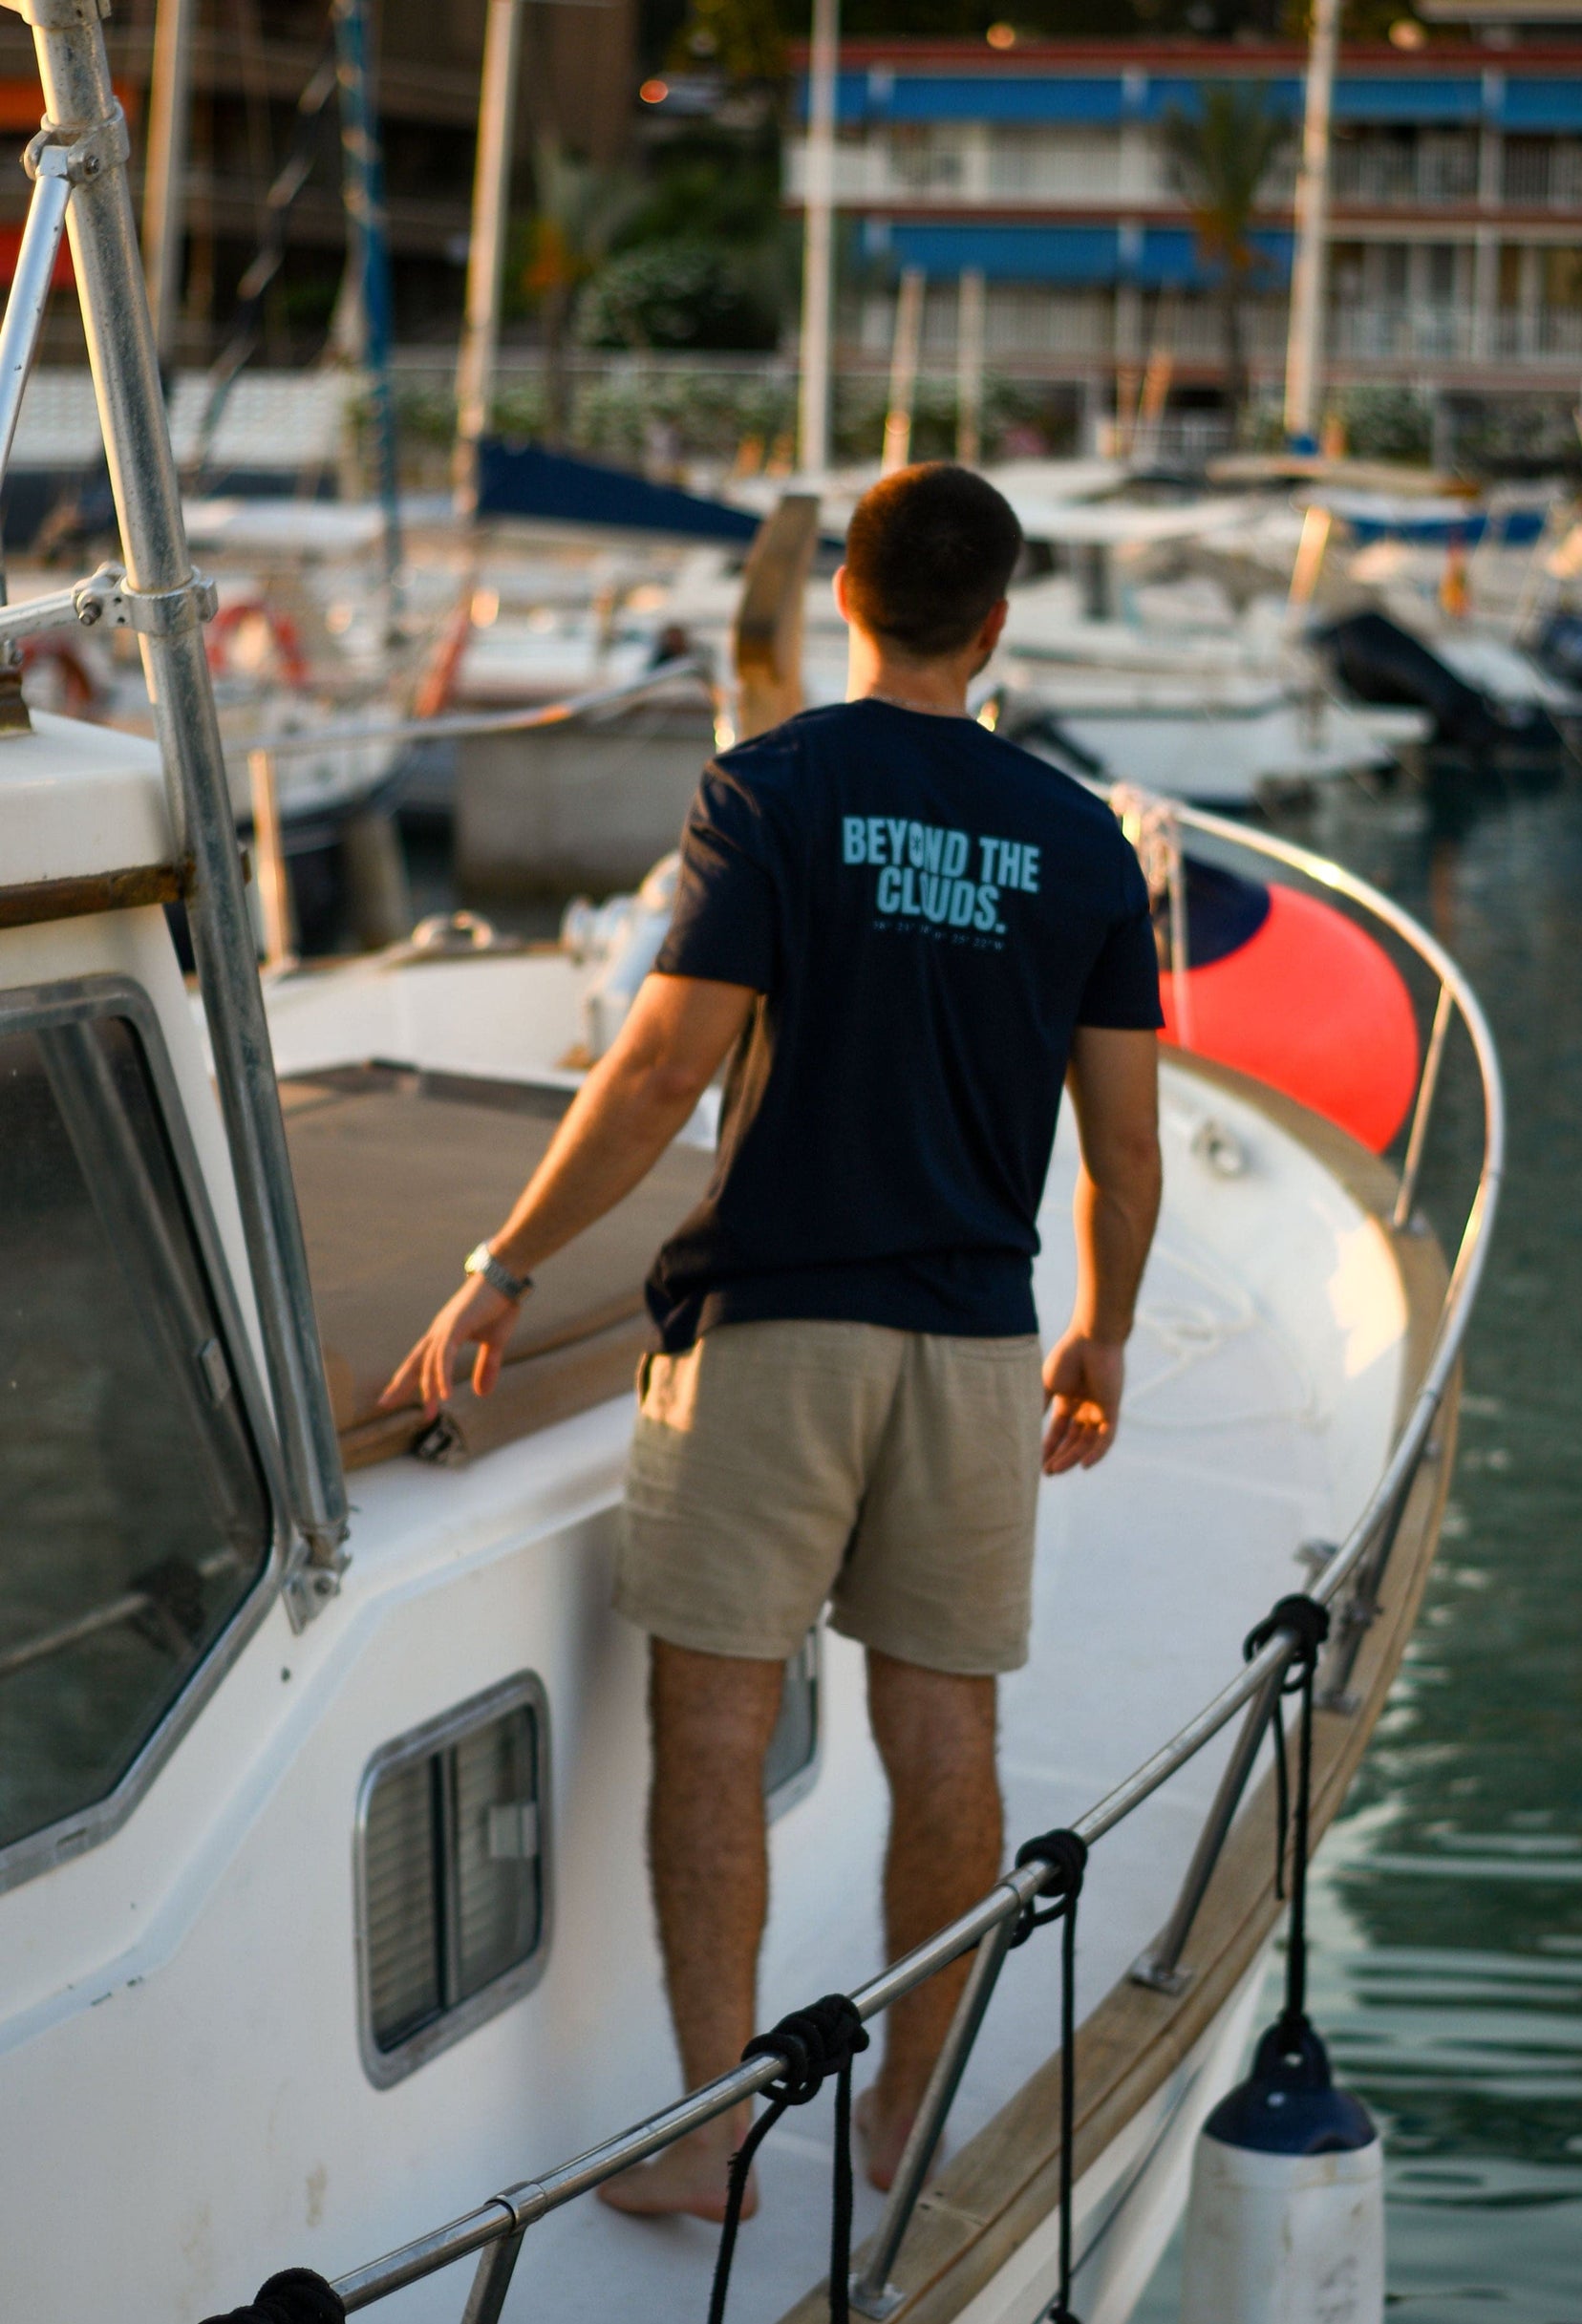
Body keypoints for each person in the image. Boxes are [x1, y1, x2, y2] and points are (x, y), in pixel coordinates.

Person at [382, 462, 1164, 2222]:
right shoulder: (1080, 841)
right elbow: (1124, 1149)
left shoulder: (778, 788)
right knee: (945, 1737)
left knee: (719, 1725)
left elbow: (662, 1064)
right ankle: (900, 2118)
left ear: (847, 602)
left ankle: (714, 2135)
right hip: (975, 1343)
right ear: (997, 623)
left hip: (775, 1325)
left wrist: (502, 1262)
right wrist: (1099, 1337)